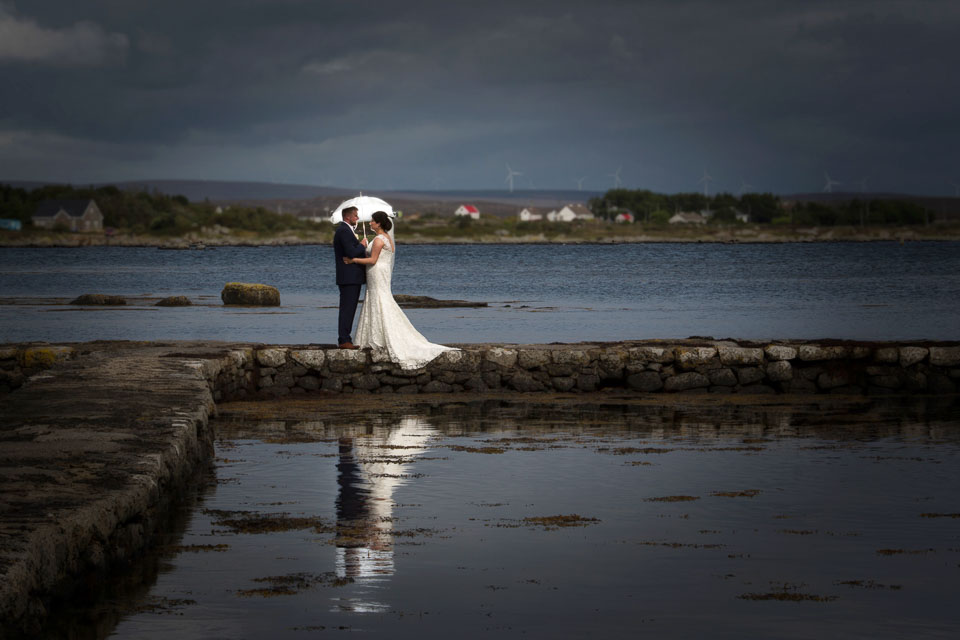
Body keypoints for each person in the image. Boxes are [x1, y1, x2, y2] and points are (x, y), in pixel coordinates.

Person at [344, 211, 457, 369]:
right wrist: (363, 245)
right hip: (380, 272)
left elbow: (373, 259)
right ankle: (375, 335)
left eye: (373, 221)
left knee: (379, 298)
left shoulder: (378, 240)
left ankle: (378, 337)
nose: (370, 223)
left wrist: (353, 259)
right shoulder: (386, 238)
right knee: (380, 298)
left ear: (379, 223)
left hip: (376, 271)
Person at [333, 206, 368, 349]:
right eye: (355, 216)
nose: (357, 218)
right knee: (347, 309)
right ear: (348, 217)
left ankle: (346, 338)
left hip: (351, 277)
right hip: (349, 277)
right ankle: (344, 340)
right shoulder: (343, 231)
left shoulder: (346, 230)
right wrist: (362, 245)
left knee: (349, 308)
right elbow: (351, 252)